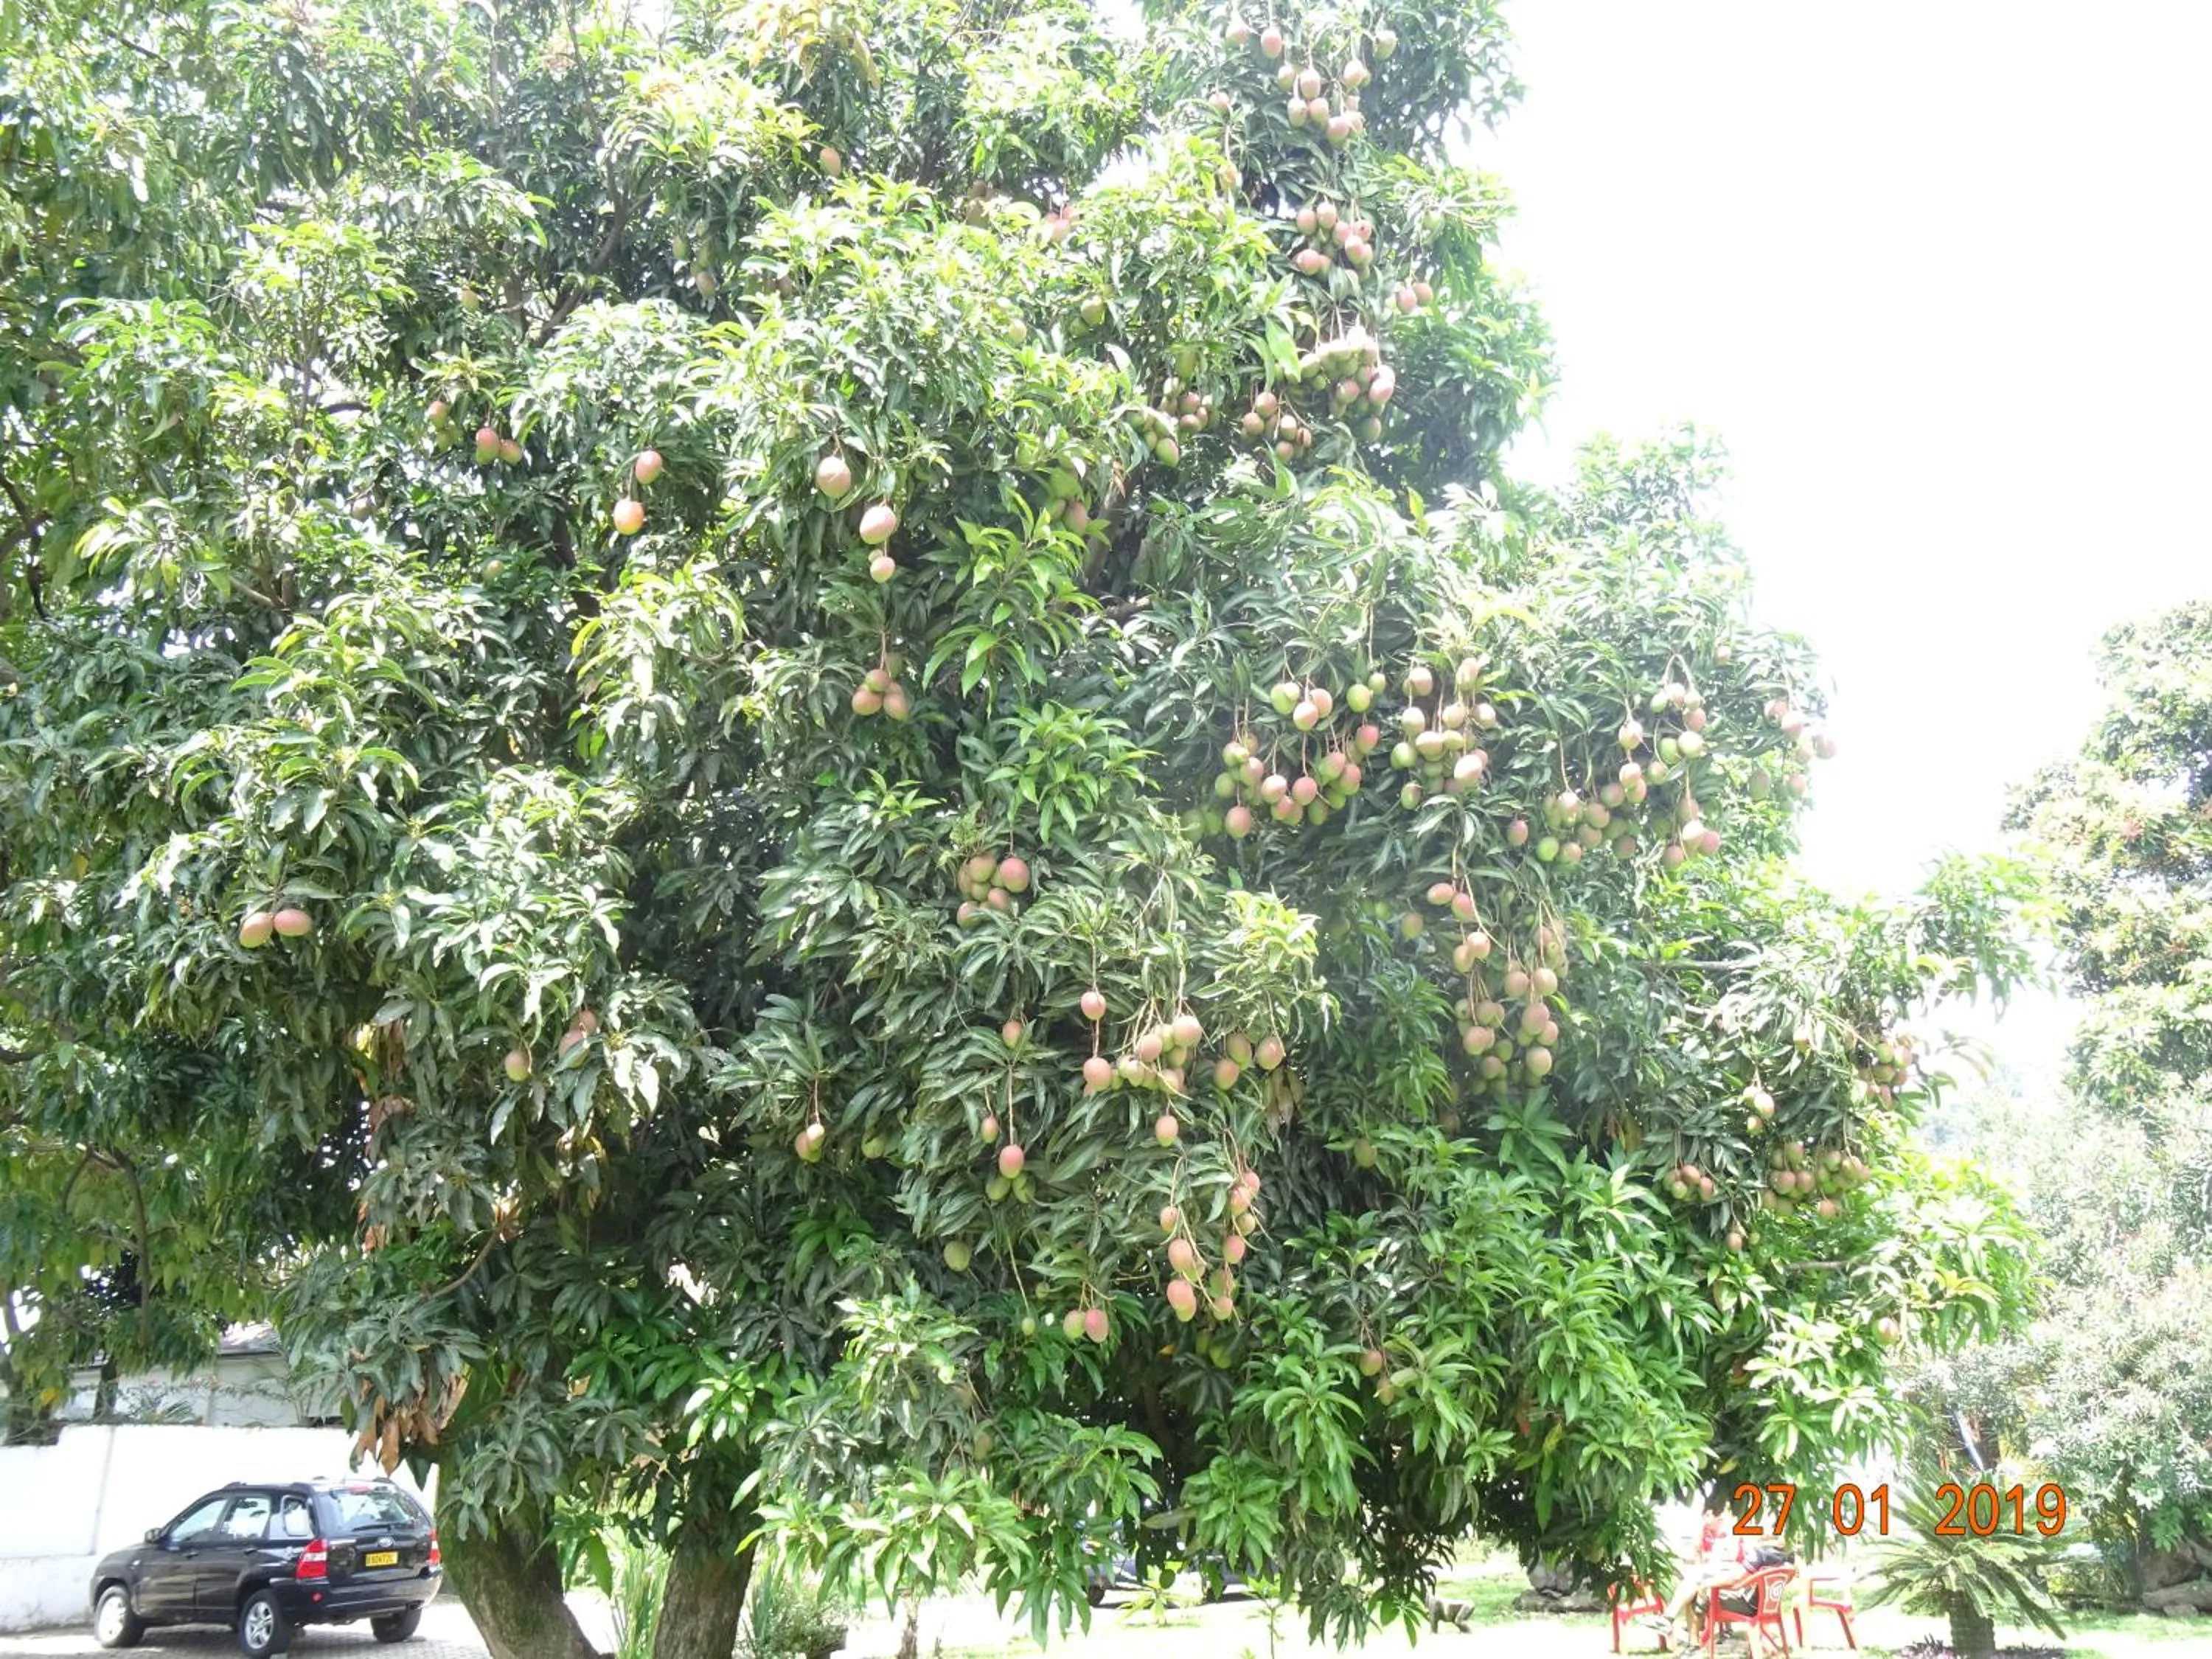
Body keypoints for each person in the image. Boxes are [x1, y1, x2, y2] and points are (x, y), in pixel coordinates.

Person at [1660, 1487, 1748, 1647]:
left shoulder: (1730, 1534)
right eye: (1704, 1515)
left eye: (1708, 1515)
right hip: (1715, 1579)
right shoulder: (1706, 1532)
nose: (1705, 1519)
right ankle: (1682, 1632)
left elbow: (1729, 1564)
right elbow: (1697, 1554)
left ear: (1719, 1516)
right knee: (1693, 1586)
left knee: (1694, 1584)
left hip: (1733, 1586)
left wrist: (1703, 1572)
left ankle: (1673, 1623)